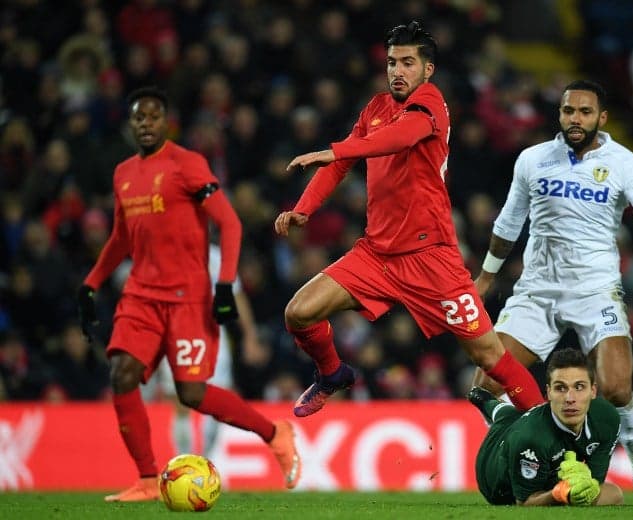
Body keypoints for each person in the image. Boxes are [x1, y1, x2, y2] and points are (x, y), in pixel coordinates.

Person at [273, 21, 544, 418]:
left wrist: (333, 150)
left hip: (431, 256)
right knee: (298, 313)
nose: (398, 71)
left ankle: (555, 439)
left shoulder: (431, 103)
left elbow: (398, 139)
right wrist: (304, 208)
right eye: (392, 63)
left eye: (408, 63)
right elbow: (346, 161)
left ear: (427, 70)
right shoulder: (377, 108)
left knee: (490, 357)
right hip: (378, 254)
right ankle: (332, 374)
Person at [472, 79, 633, 504]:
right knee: (485, 385)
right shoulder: (533, 159)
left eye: (584, 112)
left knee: (617, 389)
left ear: (602, 118)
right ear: (559, 115)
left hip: (596, 290)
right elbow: (508, 224)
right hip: (537, 290)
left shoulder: (623, 163)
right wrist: (487, 277)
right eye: (568, 112)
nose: (574, 119)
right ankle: (526, 462)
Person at [77, 86, 300, 502]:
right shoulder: (124, 173)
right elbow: (120, 238)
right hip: (141, 294)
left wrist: (224, 286)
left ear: (167, 121)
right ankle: (146, 479)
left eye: (153, 117)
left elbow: (230, 225)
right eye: (139, 118)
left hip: (188, 297)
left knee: (191, 394)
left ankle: (275, 433)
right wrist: (90, 283)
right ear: (131, 124)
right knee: (122, 373)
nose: (146, 124)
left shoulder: (187, 165)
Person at [142, 242, 267, 458]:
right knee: (181, 402)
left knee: (217, 401)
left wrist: (249, 337)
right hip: (176, 335)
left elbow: (236, 296)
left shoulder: (216, 256)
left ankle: (207, 462)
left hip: (212, 335)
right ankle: (184, 462)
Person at [470, 348, 624, 506]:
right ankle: (488, 403)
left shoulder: (607, 419)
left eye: (579, 387)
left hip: (540, 452)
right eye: (560, 388)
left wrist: (582, 487)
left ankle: (490, 404)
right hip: (496, 479)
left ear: (593, 391)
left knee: (615, 494)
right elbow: (525, 502)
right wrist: (560, 494)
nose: (570, 398)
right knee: (508, 419)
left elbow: (594, 483)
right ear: (548, 393)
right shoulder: (531, 438)